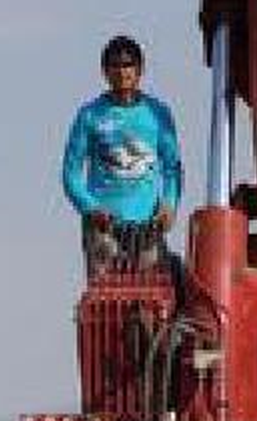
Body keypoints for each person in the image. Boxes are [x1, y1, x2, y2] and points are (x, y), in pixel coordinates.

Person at [62, 34, 183, 278]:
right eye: (115, 65)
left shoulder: (157, 113)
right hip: (103, 225)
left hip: (147, 224)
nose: (122, 72)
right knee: (106, 293)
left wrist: (169, 204)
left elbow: (172, 168)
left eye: (128, 65)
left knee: (151, 294)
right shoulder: (90, 115)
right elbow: (70, 173)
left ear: (140, 69)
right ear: (105, 71)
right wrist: (90, 207)